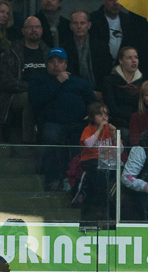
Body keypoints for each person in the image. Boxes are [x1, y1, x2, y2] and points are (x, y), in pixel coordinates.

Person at [30, 47, 96, 191]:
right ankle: (53, 180)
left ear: (66, 64)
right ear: (46, 64)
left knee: (83, 140)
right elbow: (35, 100)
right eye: (52, 61)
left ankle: (77, 181)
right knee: (51, 138)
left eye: (60, 61)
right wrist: (57, 82)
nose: (56, 65)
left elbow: (92, 102)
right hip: (52, 123)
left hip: (78, 123)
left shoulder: (79, 82)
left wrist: (90, 113)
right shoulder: (39, 81)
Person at [0, 17, 48, 143]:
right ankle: (28, 142)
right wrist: (32, 88)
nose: (34, 30)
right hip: (16, 94)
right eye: (30, 27)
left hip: (44, 91)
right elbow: (6, 80)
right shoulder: (13, 51)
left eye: (37, 27)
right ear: (23, 31)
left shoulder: (47, 51)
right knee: (31, 99)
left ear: (42, 30)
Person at [89, 0, 148, 84]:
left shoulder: (128, 20)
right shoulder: (94, 20)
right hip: (100, 68)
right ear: (103, 1)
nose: (116, 3)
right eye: (111, 0)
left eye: (119, 0)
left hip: (124, 70)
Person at [76, 102, 118, 221]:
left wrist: (115, 135)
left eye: (106, 114)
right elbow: (88, 144)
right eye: (100, 114)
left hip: (108, 161)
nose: (104, 117)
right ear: (92, 117)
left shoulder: (110, 130)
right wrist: (99, 129)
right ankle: (99, 208)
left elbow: (121, 149)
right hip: (91, 161)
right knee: (98, 179)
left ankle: (106, 207)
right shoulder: (88, 129)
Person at [102, 46, 144, 132]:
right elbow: (111, 108)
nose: (134, 61)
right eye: (129, 58)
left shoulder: (143, 82)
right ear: (121, 61)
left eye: (136, 57)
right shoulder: (110, 80)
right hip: (117, 123)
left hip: (139, 122)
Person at [61, 10, 104, 92]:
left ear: (89, 25)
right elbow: (69, 73)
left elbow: (105, 72)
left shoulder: (101, 46)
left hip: (100, 91)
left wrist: (99, 92)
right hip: (75, 90)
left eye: (83, 23)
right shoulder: (65, 47)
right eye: (75, 23)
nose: (79, 26)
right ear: (71, 26)